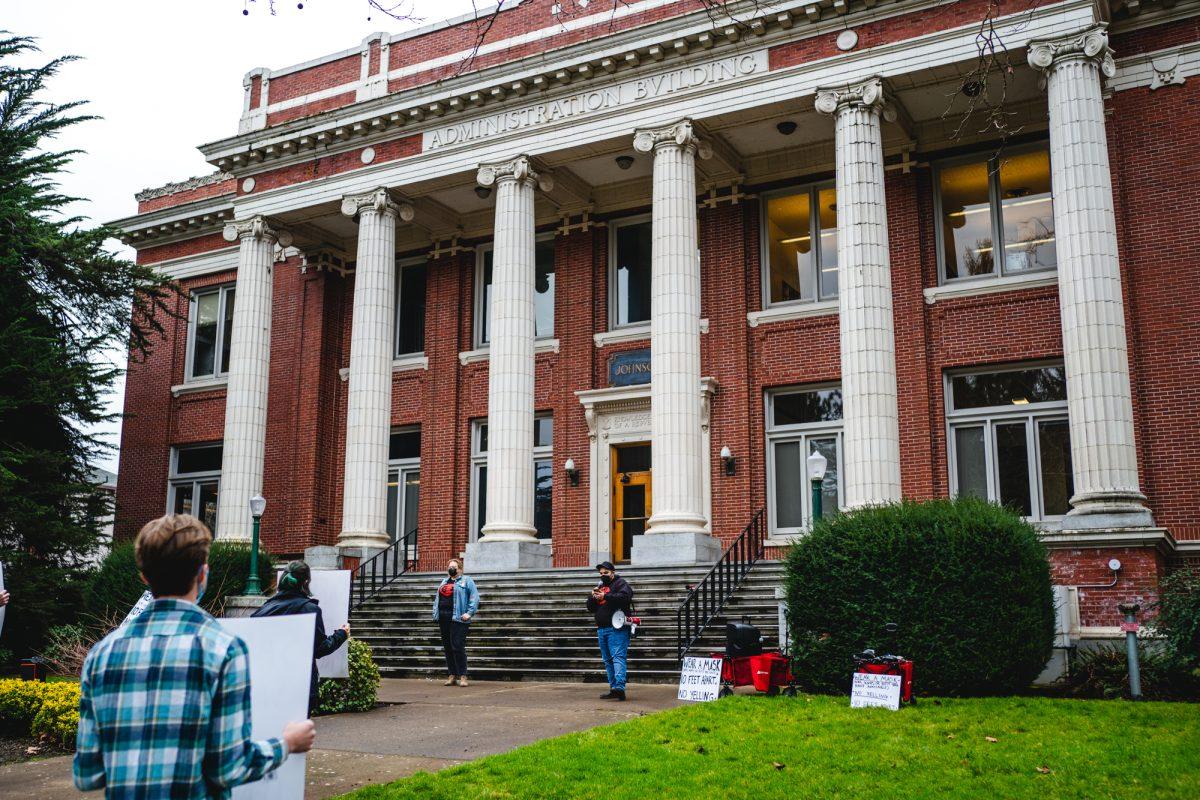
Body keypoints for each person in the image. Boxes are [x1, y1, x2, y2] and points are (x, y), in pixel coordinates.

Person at [74, 514, 315, 798]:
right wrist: (286, 743)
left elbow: (87, 775)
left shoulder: (101, 655)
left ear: (143, 576)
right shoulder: (223, 649)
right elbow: (229, 767)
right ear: (203, 574)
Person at [251, 560, 350, 714]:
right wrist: (342, 634)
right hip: (298, 685)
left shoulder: (263, 610)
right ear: (305, 582)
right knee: (298, 735)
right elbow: (320, 649)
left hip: (267, 683)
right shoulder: (309, 609)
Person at [587, 561, 633, 701]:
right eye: (600, 573)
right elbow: (590, 608)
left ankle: (619, 687)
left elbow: (625, 597)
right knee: (607, 660)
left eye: (605, 573)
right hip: (602, 629)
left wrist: (605, 596)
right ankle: (613, 688)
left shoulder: (620, 584)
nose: (603, 575)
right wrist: (592, 597)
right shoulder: (600, 586)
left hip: (616, 628)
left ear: (612, 572)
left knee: (618, 657)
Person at [431, 559, 478, 686]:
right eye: (450, 567)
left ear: (460, 569)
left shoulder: (467, 581)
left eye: (454, 567)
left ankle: (463, 675)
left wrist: (469, 613)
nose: (451, 569)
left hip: (458, 619)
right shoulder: (444, 581)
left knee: (457, 646)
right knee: (448, 648)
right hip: (443, 618)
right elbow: (437, 599)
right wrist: (436, 614)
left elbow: (474, 597)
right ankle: (452, 675)